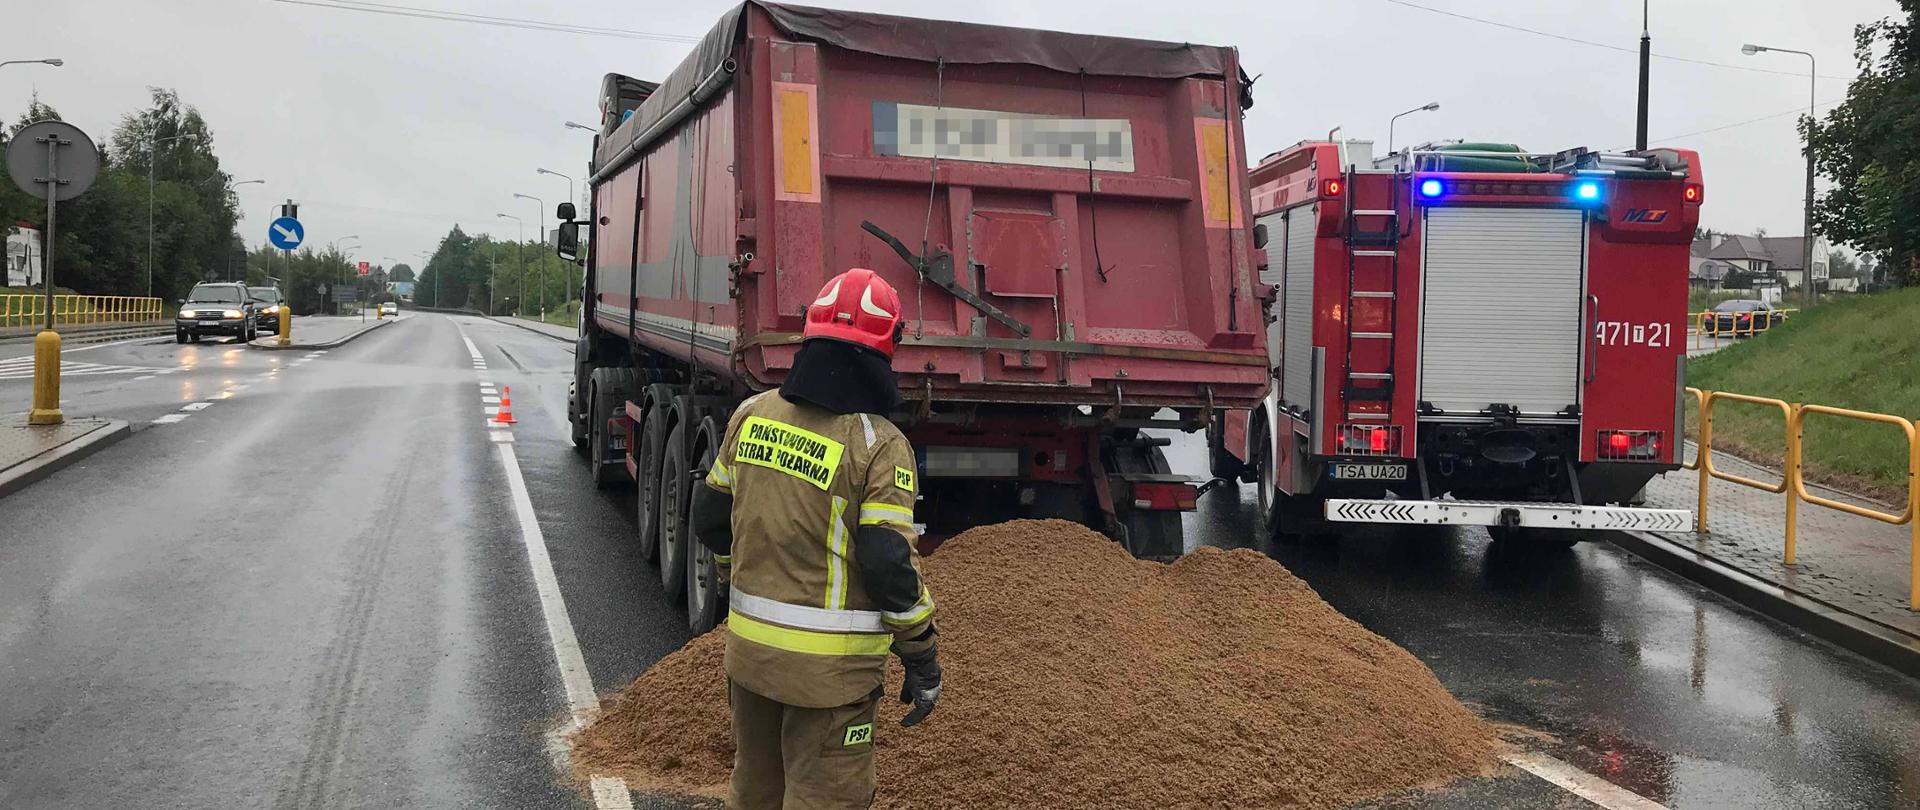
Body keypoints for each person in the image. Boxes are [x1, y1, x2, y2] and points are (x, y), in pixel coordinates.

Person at [690, 267, 941, 810]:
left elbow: (709, 516)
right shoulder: (878, 444)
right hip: (831, 681)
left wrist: (739, 573)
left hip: (751, 659)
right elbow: (887, 560)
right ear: (887, 345)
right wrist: (920, 651)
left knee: (753, 793)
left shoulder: (752, 414)